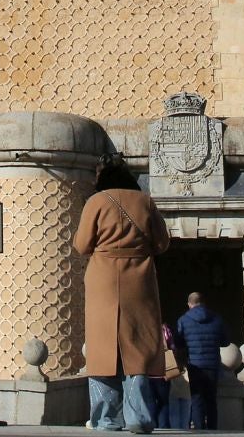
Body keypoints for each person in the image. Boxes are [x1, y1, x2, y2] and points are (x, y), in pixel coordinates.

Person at [72, 159, 171, 434]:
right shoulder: (145, 202)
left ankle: (106, 419)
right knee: (136, 344)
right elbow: (162, 243)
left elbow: (81, 245)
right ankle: (138, 416)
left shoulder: (96, 202)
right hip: (138, 279)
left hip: (102, 278)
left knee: (103, 347)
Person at [176, 290, 230, 430]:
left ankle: (199, 431)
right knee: (211, 400)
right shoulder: (217, 318)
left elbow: (178, 343)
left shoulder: (183, 320)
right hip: (212, 365)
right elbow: (225, 342)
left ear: (189, 304)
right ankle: (213, 430)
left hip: (194, 365)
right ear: (203, 303)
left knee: (197, 399)